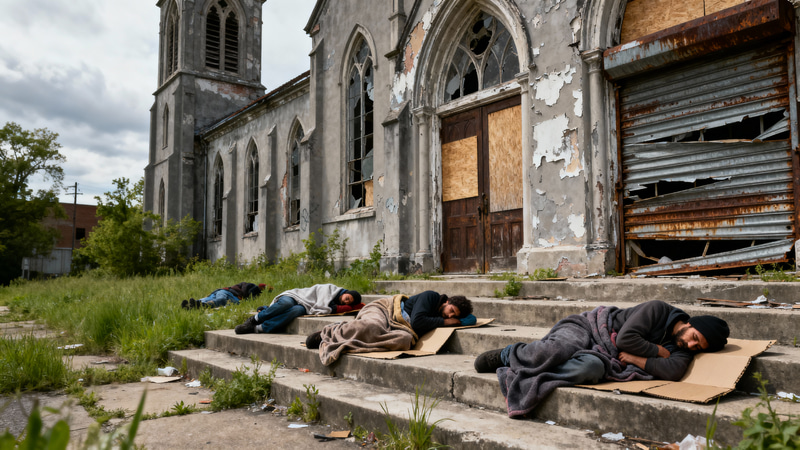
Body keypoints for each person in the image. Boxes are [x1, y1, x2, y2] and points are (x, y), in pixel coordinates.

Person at [473, 300, 730, 417]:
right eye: (695, 336)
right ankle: (510, 354)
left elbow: (673, 371)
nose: (691, 344)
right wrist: (655, 352)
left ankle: (532, 370)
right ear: (690, 323)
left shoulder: (680, 348)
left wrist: (636, 360)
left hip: (602, 355)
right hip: (590, 327)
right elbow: (625, 340)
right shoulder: (659, 309)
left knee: (592, 368)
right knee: (553, 350)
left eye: (698, 347)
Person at [305, 290, 475, 366]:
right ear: (447, 301)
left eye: (454, 316)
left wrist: (459, 321)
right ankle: (331, 332)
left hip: (399, 327)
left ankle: (350, 339)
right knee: (372, 326)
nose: (450, 316)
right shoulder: (432, 297)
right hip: (385, 310)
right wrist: (446, 323)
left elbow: (472, 319)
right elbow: (417, 322)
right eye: (451, 310)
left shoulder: (442, 316)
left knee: (404, 341)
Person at [234, 283, 364, 334]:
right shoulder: (331, 289)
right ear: (346, 292)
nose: (346, 300)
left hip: (304, 307)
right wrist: (337, 307)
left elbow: (319, 309)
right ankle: (255, 319)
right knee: (287, 305)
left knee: (298, 311)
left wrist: (343, 307)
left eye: (349, 302)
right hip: (295, 296)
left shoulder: (336, 306)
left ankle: (258, 328)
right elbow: (321, 300)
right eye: (348, 297)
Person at [181, 282, 267, 309]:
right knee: (221, 300)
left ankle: (189, 306)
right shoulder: (246, 286)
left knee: (209, 299)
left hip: (221, 294)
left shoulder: (241, 300)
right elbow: (248, 288)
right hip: (226, 293)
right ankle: (200, 304)